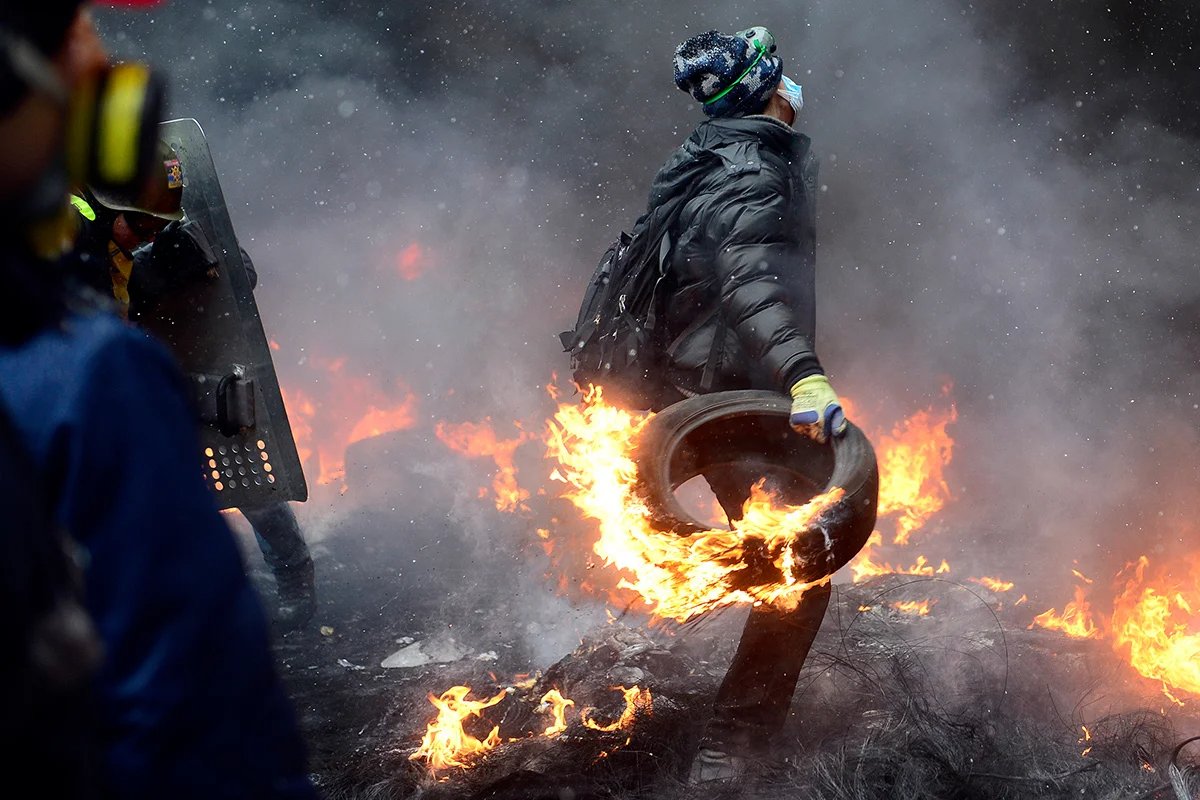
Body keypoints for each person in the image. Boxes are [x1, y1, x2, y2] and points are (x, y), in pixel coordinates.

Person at [0, 3, 319, 797]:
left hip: (108, 338)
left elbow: (177, 233)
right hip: (95, 358)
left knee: (221, 456)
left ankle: (296, 579)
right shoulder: (84, 376)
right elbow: (193, 707)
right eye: (78, 44)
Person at [632, 26, 850, 782]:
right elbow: (750, 280)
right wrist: (804, 375)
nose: (795, 88)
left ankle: (733, 736)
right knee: (800, 568)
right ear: (766, 89)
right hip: (721, 399)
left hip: (687, 390)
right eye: (784, 78)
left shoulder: (711, 155)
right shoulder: (754, 171)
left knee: (778, 562)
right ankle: (733, 749)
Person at [68, 158, 318, 630]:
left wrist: (220, 270)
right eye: (141, 226)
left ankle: (294, 575)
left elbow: (229, 266)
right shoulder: (70, 234)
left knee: (237, 453)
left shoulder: (147, 213)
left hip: (155, 353)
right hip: (97, 372)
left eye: (156, 226)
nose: (148, 234)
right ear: (111, 206)